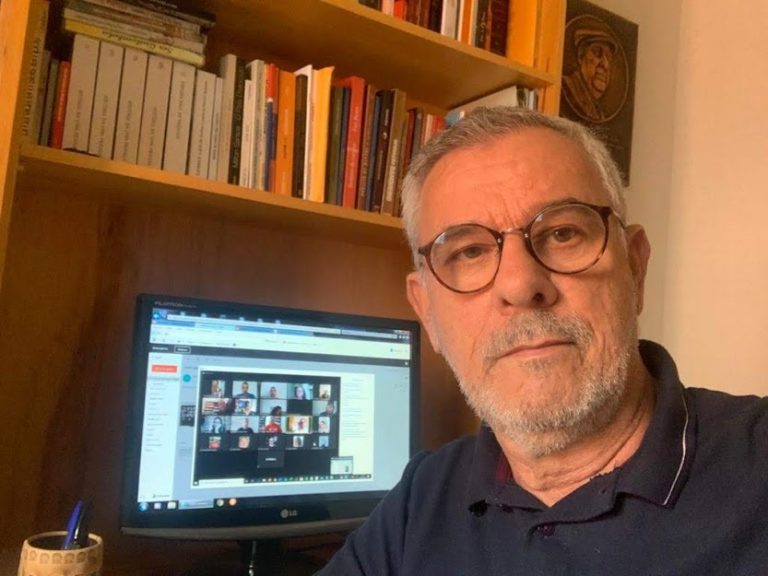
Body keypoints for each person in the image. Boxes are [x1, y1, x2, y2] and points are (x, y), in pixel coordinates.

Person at [317, 107, 768, 575]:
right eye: (469, 252)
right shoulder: (422, 496)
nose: (520, 284)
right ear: (426, 310)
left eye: (562, 233)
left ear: (635, 268)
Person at [562, 28, 618, 122]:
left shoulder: (598, 113)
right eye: (597, 53)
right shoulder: (565, 87)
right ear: (580, 56)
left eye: (608, 58)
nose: (605, 65)